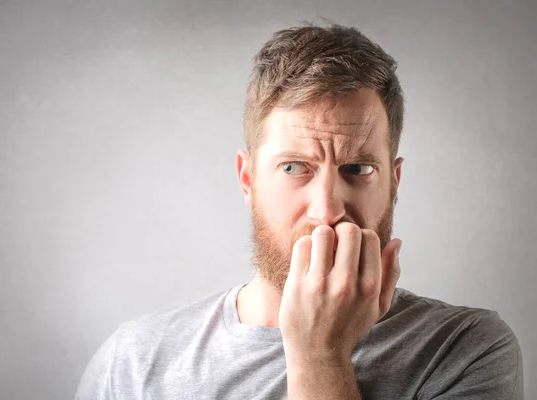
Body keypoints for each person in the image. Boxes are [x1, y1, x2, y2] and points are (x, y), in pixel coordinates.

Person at [74, 22, 524, 400]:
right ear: (248, 179)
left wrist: (319, 356)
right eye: (294, 167)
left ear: (395, 182)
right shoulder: (132, 362)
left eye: (359, 168)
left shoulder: (465, 349)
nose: (327, 209)